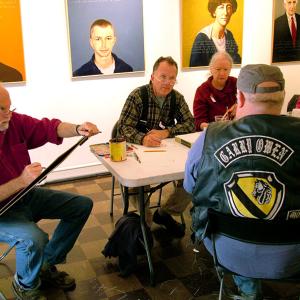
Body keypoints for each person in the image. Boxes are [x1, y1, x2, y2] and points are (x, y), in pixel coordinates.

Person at [184, 64, 300, 299]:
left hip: (227, 250)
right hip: (293, 253)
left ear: (240, 97)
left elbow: (190, 187)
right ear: (283, 97)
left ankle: (247, 290)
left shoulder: (210, 136)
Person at [0, 83, 100, 299]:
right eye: (0, 109)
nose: (7, 114)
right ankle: (25, 286)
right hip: (2, 212)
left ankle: (45, 265)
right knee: (34, 238)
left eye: (9, 108)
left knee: (81, 205)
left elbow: (48, 127)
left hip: (24, 197)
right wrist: (21, 181)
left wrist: (77, 128)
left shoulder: (12, 122)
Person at [118, 56, 195, 238]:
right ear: (152, 77)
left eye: (172, 78)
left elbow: (190, 123)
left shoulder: (176, 98)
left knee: (193, 174)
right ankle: (145, 220)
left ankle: (165, 213)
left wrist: (166, 132)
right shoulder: (138, 96)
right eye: (163, 77)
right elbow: (123, 128)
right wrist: (143, 138)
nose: (167, 82)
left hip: (165, 153)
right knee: (136, 179)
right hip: (136, 154)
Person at [193, 51, 237, 131]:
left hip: (235, 131)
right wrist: (212, 128)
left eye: (226, 69)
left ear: (230, 69)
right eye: (218, 69)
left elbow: (252, 103)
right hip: (212, 133)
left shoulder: (236, 84)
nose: (222, 73)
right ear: (211, 69)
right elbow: (199, 121)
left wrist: (238, 106)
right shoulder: (202, 91)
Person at [189, 0, 241, 67]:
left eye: (228, 7)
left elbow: (236, 62)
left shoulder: (229, 35)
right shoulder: (202, 38)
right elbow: (194, 69)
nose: (225, 13)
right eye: (221, 7)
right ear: (214, 12)